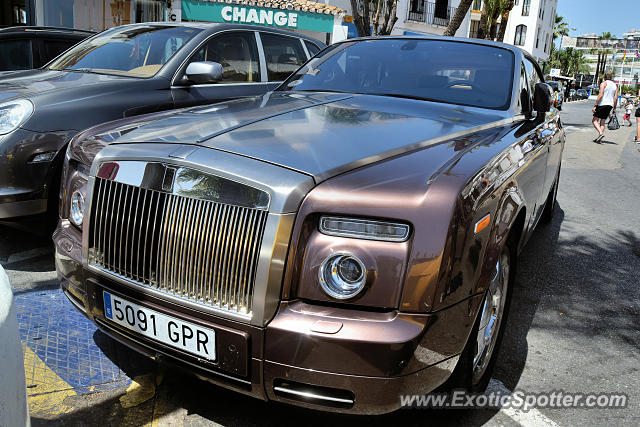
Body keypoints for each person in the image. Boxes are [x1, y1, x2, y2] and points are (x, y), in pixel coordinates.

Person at [591, 71, 618, 143]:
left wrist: (595, 105)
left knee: (594, 121)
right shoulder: (615, 85)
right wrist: (614, 108)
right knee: (602, 121)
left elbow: (600, 95)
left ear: (605, 77)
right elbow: (615, 98)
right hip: (610, 105)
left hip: (602, 104)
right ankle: (599, 138)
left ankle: (601, 133)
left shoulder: (603, 84)